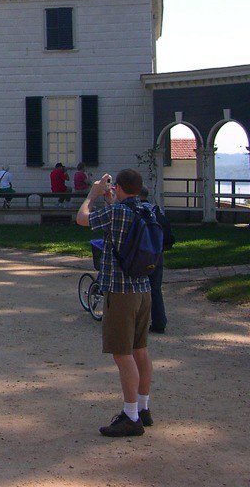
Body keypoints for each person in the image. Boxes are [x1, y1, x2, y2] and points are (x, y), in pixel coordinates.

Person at [77, 168, 154, 437]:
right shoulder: (147, 209)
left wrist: (93, 193)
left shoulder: (116, 212)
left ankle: (130, 416)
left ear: (119, 186)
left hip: (120, 292)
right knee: (140, 350)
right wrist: (112, 199)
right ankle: (143, 408)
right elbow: (124, 222)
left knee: (123, 354)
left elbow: (82, 219)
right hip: (143, 288)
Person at [139, 187, 175, 334]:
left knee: (135, 288)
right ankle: (159, 322)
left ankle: (136, 322)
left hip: (140, 254)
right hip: (157, 252)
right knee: (155, 288)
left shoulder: (135, 210)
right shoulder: (156, 209)